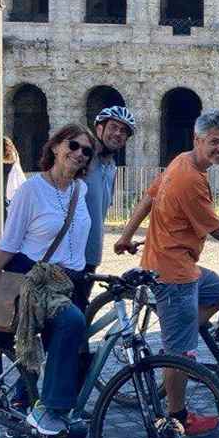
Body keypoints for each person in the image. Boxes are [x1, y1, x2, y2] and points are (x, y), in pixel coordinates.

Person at [114, 110, 219, 436]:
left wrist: (125, 236)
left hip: (179, 264)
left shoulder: (181, 161)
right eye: (214, 142)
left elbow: (147, 199)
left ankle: (176, 338)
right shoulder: (189, 177)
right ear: (197, 140)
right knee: (180, 352)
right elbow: (215, 226)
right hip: (173, 272)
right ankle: (177, 417)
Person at [0, 124, 95, 438]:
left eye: (87, 151)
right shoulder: (30, 191)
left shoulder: (80, 190)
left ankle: (46, 426)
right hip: (33, 281)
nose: (80, 154)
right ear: (55, 147)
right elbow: (8, 245)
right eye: (74, 145)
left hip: (69, 282)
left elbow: (76, 242)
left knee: (79, 356)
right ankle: (49, 412)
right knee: (71, 324)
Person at [81, 105, 137, 305]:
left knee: (79, 307)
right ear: (99, 129)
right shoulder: (83, 158)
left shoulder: (112, 167)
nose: (118, 134)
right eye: (113, 127)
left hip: (91, 254)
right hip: (67, 255)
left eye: (124, 131)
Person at [2, 137, 25, 212]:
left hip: (10, 181)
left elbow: (11, 161)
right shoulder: (13, 153)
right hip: (12, 184)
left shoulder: (12, 155)